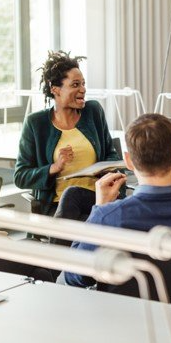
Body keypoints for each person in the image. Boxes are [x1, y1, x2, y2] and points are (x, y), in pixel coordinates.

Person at [64, 114, 171, 287]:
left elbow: (74, 277)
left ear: (128, 161)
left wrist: (99, 208)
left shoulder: (107, 218)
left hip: (128, 312)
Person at [14, 51, 121, 218]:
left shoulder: (93, 111)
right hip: (56, 206)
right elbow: (21, 177)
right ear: (55, 89)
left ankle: (59, 242)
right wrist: (54, 168)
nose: (83, 89)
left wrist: (103, 169)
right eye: (75, 84)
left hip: (96, 199)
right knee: (81, 217)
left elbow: (111, 155)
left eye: (83, 84)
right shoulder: (36, 123)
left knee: (81, 214)